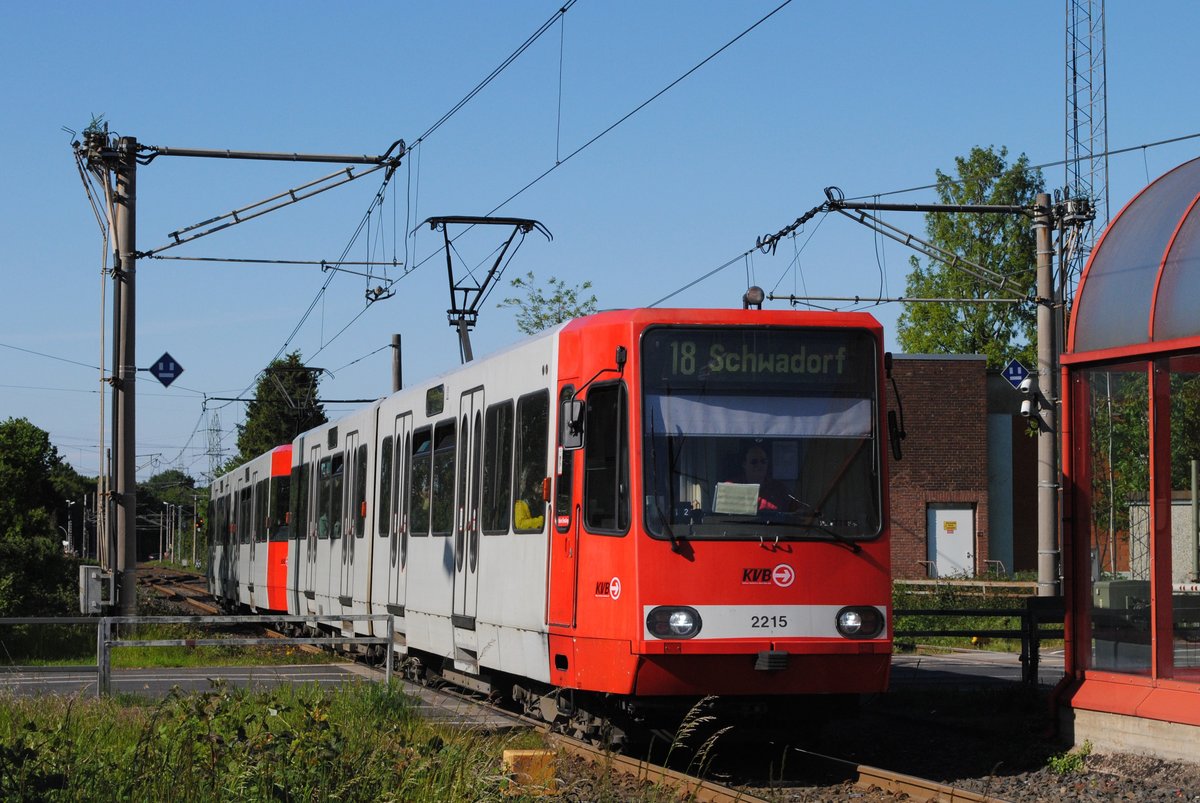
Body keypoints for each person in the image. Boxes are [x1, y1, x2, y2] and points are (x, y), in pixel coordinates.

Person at [737, 444, 798, 512]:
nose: (759, 465)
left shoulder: (779, 489)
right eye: (754, 462)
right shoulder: (733, 487)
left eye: (763, 461)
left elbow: (795, 511)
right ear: (744, 464)